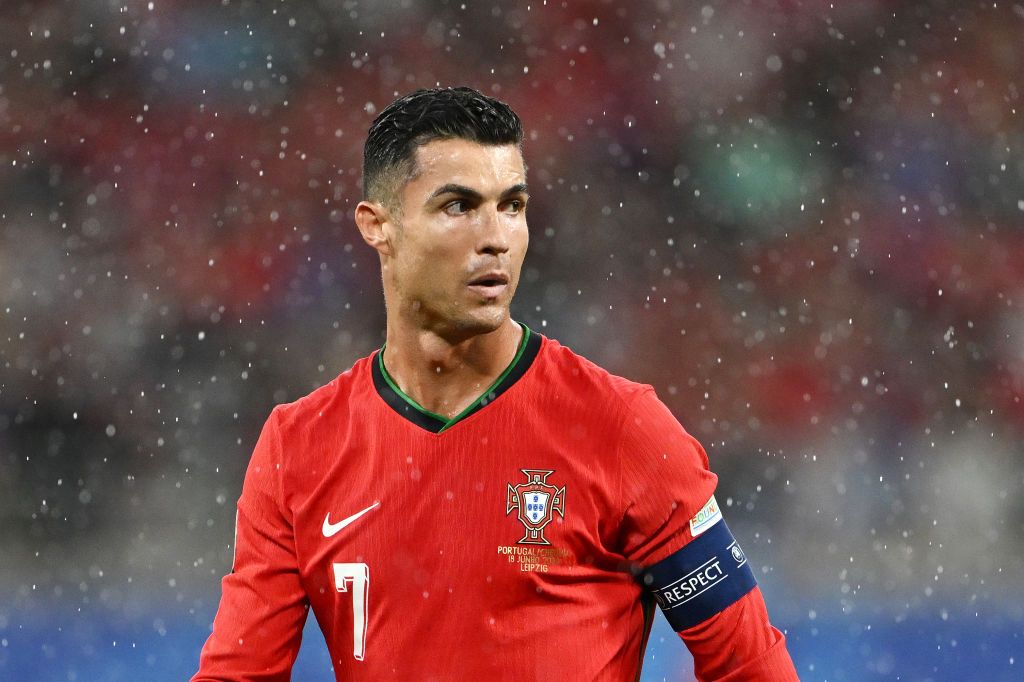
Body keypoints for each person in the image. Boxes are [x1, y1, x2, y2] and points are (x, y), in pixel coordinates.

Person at [193, 86, 799, 681]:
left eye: (512, 205)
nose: (496, 238)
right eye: (458, 206)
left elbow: (749, 666)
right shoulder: (298, 447)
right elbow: (237, 674)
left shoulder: (623, 427)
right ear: (377, 226)